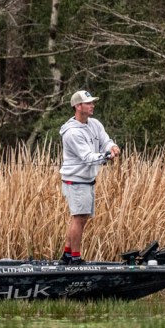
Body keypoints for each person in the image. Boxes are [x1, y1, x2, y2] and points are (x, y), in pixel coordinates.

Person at [59, 90, 120, 264]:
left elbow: (105, 140)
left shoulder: (94, 124)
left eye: (92, 102)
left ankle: (67, 255)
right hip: (76, 181)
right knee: (79, 218)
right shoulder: (72, 132)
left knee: (80, 218)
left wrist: (112, 147)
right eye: (88, 103)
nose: (92, 105)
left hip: (86, 180)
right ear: (78, 106)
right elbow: (87, 157)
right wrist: (107, 156)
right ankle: (75, 258)